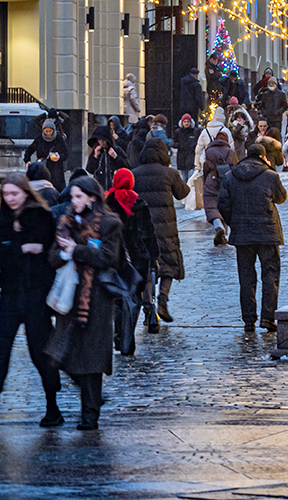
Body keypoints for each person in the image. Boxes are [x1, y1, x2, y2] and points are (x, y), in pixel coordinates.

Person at [0, 174, 61, 430]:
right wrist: (22, 250)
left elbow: (48, 259)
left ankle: (53, 407)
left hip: (35, 295)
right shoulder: (1, 221)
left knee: (40, 352)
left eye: (14, 194)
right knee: (0, 349)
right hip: (10, 292)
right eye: (6, 194)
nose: (10, 199)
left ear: (25, 193)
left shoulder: (41, 217)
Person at [46, 175, 123, 431]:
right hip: (70, 298)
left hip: (97, 300)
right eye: (72, 197)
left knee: (92, 361)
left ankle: (90, 414)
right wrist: (64, 252)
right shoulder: (66, 222)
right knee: (62, 355)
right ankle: (87, 407)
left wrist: (75, 250)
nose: (74, 201)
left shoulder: (110, 223)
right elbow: (53, 257)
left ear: (92, 197)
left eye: (79, 196)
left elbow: (108, 257)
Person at [219, 144, 288, 332]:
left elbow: (222, 204)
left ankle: (248, 319)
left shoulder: (230, 176)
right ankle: (268, 317)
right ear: (263, 157)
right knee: (270, 275)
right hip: (268, 233)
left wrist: (234, 222)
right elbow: (281, 198)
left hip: (243, 234)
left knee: (246, 276)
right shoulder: (271, 176)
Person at [131, 139, 190, 323]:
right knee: (169, 263)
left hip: (142, 226)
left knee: (147, 265)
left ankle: (148, 306)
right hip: (165, 227)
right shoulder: (169, 173)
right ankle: (163, 299)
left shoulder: (135, 173)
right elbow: (183, 193)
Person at [107, 168, 162, 346]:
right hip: (138, 258)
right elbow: (149, 233)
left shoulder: (108, 202)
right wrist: (154, 257)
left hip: (115, 257)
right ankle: (127, 334)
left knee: (117, 298)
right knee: (134, 298)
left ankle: (118, 332)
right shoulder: (138, 203)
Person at [202, 130, 239, 246]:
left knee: (211, 204)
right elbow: (236, 167)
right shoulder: (231, 152)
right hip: (228, 179)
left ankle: (218, 225)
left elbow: (206, 168)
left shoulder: (209, 152)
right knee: (227, 204)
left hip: (212, 179)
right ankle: (225, 233)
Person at [24, 119, 69, 191]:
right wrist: (27, 161)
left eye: (50, 131)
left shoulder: (59, 140)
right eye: (46, 131)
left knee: (56, 190)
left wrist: (59, 157)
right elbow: (29, 150)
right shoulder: (39, 139)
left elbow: (66, 154)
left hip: (56, 170)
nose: (48, 133)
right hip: (42, 168)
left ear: (53, 130)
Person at [86, 125, 127, 191]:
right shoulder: (96, 151)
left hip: (115, 188)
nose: (102, 142)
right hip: (99, 189)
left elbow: (126, 166)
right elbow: (90, 170)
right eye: (99, 140)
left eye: (103, 140)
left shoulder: (116, 150)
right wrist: (95, 156)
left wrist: (115, 157)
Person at [174, 113, 200, 183]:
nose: (186, 123)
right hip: (182, 157)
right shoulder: (178, 132)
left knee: (191, 176)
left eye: (188, 121)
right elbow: (174, 142)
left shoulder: (195, 132)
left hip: (191, 156)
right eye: (185, 121)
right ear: (182, 122)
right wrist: (179, 145)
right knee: (184, 177)